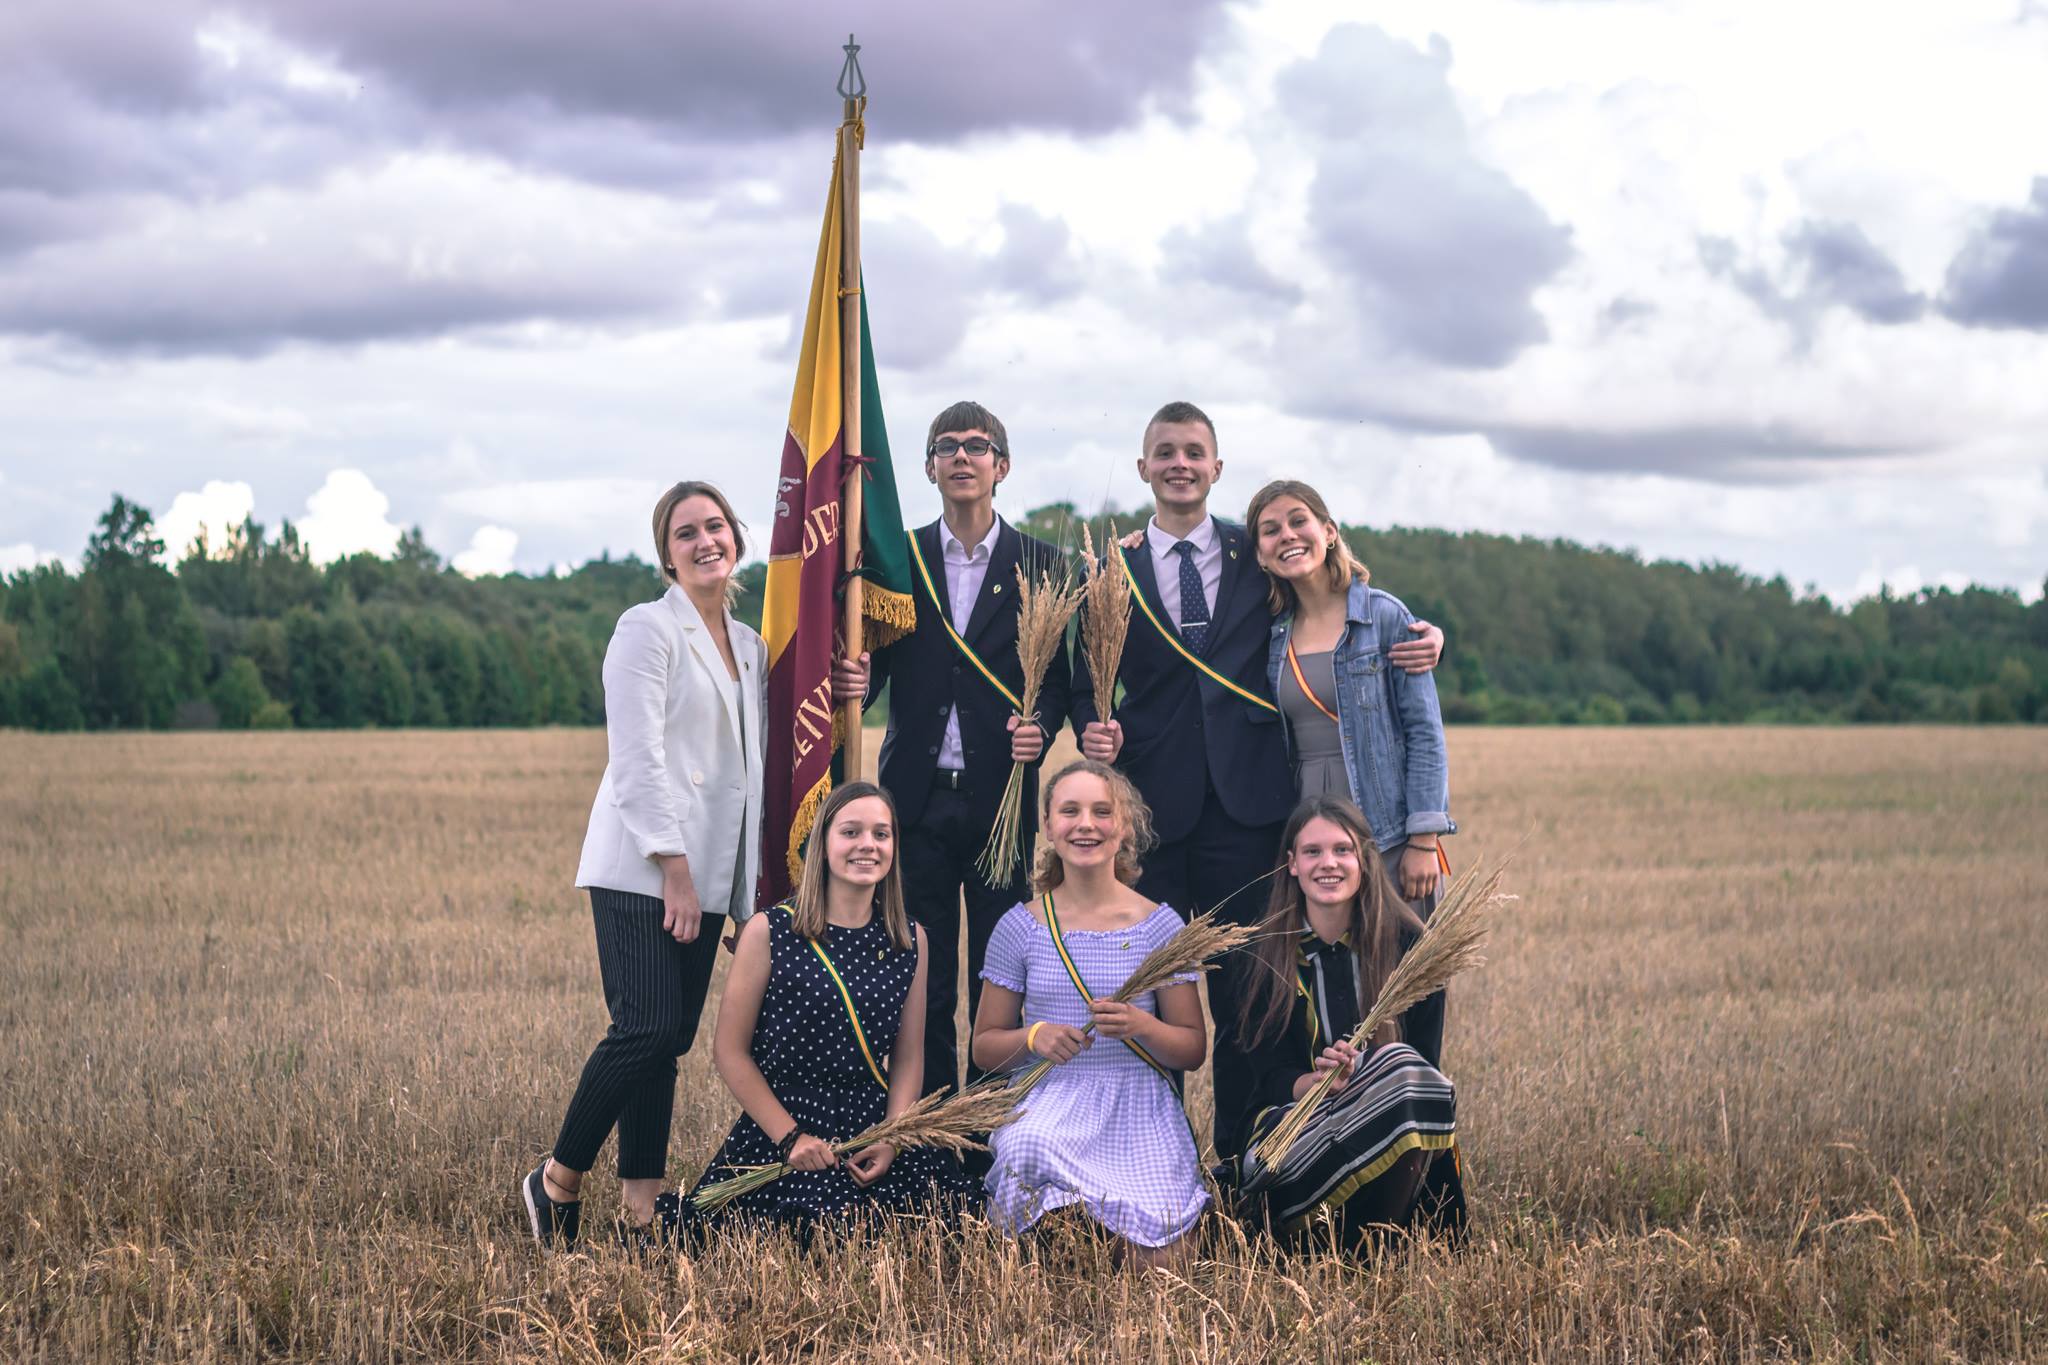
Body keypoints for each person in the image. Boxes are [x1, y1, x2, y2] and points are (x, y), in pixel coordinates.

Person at [1069, 401, 1441, 1158]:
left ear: (1216, 468)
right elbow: (1086, 675)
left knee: (1251, 996)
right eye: (1165, 452)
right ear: (1144, 468)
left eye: (1195, 451)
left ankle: (1248, 1158)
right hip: (1154, 820)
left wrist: (1428, 636)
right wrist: (1090, 723)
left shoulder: (1256, 550)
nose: (1180, 463)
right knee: (1154, 992)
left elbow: (1342, 605)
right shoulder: (1114, 568)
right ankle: (1158, 1162)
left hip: (1252, 815)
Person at [524, 481, 766, 1250]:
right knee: (646, 1025)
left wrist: (740, 901)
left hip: (709, 878)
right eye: (686, 532)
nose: (705, 541)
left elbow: (748, 782)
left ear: (737, 536)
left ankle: (642, 1207)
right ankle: (557, 1177)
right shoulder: (645, 629)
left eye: (716, 526)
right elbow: (637, 759)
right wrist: (678, 870)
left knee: (669, 1041)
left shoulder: (752, 644)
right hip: (642, 865)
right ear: (666, 553)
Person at [830, 400, 1069, 1104]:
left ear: (1003, 464)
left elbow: (1057, 679)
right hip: (913, 798)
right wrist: (859, 680)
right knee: (922, 976)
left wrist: (1043, 724)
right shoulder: (896, 560)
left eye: (978, 445)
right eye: (947, 446)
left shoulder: (1042, 563)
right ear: (929, 465)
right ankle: (930, 1132)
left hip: (1002, 804)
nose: (962, 456)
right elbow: (872, 662)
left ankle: (986, 1135)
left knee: (997, 979)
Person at [681, 782, 978, 1239]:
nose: (867, 845)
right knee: (811, 1232)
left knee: (936, 1229)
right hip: (785, 1123)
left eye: (882, 834)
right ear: (822, 844)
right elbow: (730, 1051)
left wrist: (891, 1139)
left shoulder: (909, 939)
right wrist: (790, 1138)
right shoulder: (771, 930)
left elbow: (908, 1057)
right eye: (851, 832)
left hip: (872, 1123)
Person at [970, 760, 1210, 1270]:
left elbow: (1192, 1049)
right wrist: (1034, 1037)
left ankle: (1104, 1242)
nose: (1086, 824)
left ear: (1123, 828)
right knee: (1028, 1146)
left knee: (1167, 1268)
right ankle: (1070, 1242)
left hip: (1136, 1102)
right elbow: (984, 1046)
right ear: (1049, 826)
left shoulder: (1159, 925)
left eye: (1103, 812)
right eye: (1070, 811)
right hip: (1053, 1101)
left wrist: (1141, 1026)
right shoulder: (1021, 927)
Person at [1220, 795, 1466, 1249]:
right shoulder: (1258, 955)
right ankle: (1309, 1238)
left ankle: (1376, 1246)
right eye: (1312, 852)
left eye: (1342, 850)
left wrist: (1368, 1073)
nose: (1327, 863)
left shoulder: (1410, 945)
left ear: (1365, 861)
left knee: (1402, 1068)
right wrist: (1314, 1083)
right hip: (1292, 1131)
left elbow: (1424, 1066)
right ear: (1291, 864)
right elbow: (1263, 1079)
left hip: (1386, 1124)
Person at [1247, 479, 1453, 918]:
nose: (1287, 535)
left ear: (1330, 532)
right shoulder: (1269, 633)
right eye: (1270, 530)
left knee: (1405, 977)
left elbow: (1424, 733)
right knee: (1332, 974)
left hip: (1388, 827)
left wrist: (1423, 839)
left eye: (1299, 521)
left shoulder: (1383, 617)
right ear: (1260, 554)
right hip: (1308, 834)